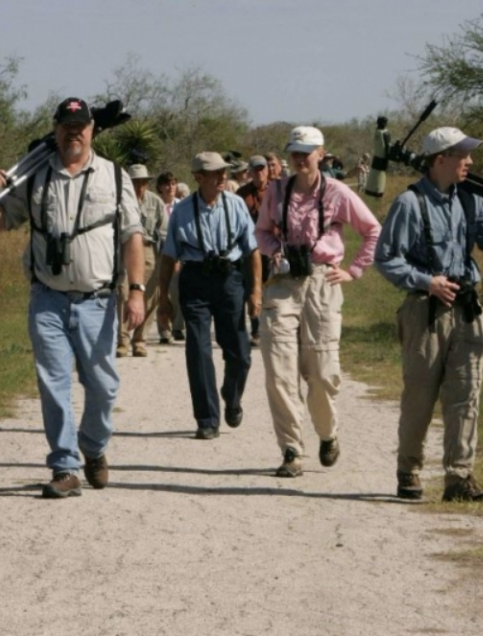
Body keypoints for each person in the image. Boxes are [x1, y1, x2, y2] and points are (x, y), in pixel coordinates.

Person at [0, 97, 146, 499]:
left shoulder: (115, 176)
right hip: (48, 299)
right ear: (55, 130)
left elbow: (132, 237)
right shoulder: (36, 176)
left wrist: (136, 292)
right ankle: (65, 466)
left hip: (98, 300)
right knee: (53, 383)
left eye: (81, 127)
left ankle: (94, 448)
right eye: (66, 127)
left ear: (92, 130)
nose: (74, 134)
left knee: (103, 386)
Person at [374, 126, 483, 502]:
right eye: (463, 156)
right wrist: (428, 281)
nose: (470, 162)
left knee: (466, 394)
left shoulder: (470, 199)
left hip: (468, 309)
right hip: (425, 311)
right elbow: (386, 258)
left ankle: (459, 478)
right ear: (440, 159)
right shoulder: (409, 204)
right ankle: (408, 471)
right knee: (420, 397)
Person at [256, 126, 381, 478]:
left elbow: (372, 229)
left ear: (321, 154)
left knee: (322, 373)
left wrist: (354, 270)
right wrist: (273, 252)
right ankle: (292, 450)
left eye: (307, 151)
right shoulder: (277, 191)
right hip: (282, 283)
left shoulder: (338, 192)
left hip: (322, 282)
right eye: (295, 151)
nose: (300, 158)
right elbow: (262, 231)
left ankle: (328, 433)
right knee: (279, 371)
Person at [157, 151, 262, 440]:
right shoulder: (182, 211)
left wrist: (255, 291)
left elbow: (252, 250)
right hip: (195, 280)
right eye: (216, 173)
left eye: (224, 172)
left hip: (230, 279)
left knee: (240, 353)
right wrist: (164, 298)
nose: (222, 177)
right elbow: (168, 257)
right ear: (199, 178)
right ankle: (207, 418)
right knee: (198, 350)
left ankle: (232, 393)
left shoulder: (236, 205)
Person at [117, 164, 168, 357]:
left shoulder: (155, 202)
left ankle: (140, 339)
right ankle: (122, 340)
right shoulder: (119, 201)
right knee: (123, 294)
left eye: (143, 182)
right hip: (126, 249)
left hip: (149, 250)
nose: (140, 186)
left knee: (149, 296)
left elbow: (164, 231)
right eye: (135, 182)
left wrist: (166, 258)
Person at [236, 155, 272, 346]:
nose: (259, 172)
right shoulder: (241, 194)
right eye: (255, 169)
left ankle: (272, 329)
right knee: (252, 287)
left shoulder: (276, 190)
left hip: (272, 248)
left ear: (267, 170)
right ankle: (256, 330)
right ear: (249, 172)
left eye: (262, 168)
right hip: (249, 249)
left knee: (272, 287)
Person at [155, 171, 183, 344]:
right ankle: (164, 331)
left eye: (173, 184)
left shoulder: (182, 206)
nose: (170, 187)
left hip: (179, 255)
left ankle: (178, 326)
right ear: (160, 187)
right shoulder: (156, 206)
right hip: (159, 254)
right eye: (166, 184)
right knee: (161, 293)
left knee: (177, 292)